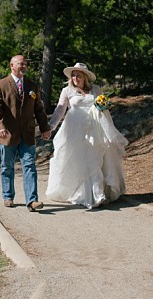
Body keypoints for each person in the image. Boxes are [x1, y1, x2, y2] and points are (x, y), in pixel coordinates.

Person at [44, 62, 127, 209]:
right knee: (79, 161)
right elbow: (60, 110)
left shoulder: (96, 89)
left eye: (79, 75)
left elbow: (104, 108)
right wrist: (50, 127)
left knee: (95, 159)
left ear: (85, 77)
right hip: (74, 130)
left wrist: (104, 107)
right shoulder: (67, 91)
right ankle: (84, 193)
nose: (75, 78)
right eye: (73, 75)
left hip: (95, 129)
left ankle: (98, 193)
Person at [0, 54, 50, 211]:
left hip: (27, 134)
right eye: (20, 64)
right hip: (7, 133)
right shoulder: (0, 85)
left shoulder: (32, 85)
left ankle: (32, 200)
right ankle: (8, 196)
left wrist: (44, 128)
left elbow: (39, 109)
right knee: (7, 166)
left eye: (25, 64)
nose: (23, 66)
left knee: (29, 165)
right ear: (12, 66)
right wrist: (0, 127)